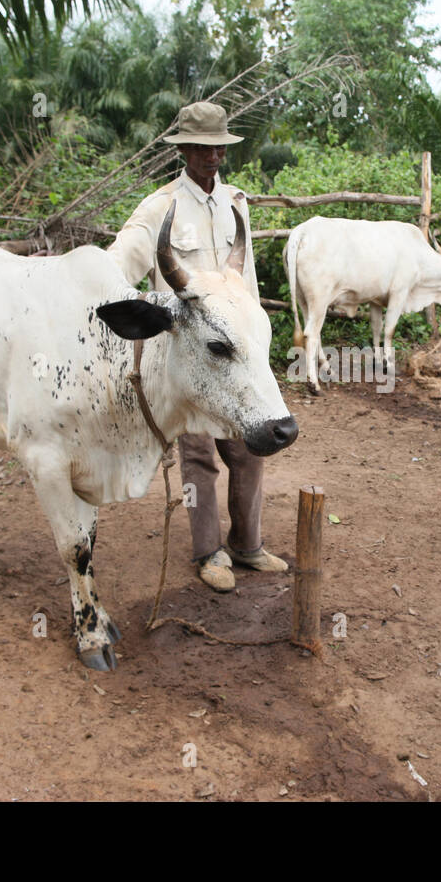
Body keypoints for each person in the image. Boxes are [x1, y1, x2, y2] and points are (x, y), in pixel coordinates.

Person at [108, 101, 289, 592]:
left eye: (219, 149)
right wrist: (143, 307)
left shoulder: (236, 202)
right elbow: (116, 269)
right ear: (184, 148)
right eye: (203, 149)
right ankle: (209, 552)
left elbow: (245, 280)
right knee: (200, 455)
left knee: (251, 445)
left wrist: (254, 344)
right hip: (188, 356)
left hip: (233, 352)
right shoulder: (158, 207)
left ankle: (248, 545)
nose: (212, 158)